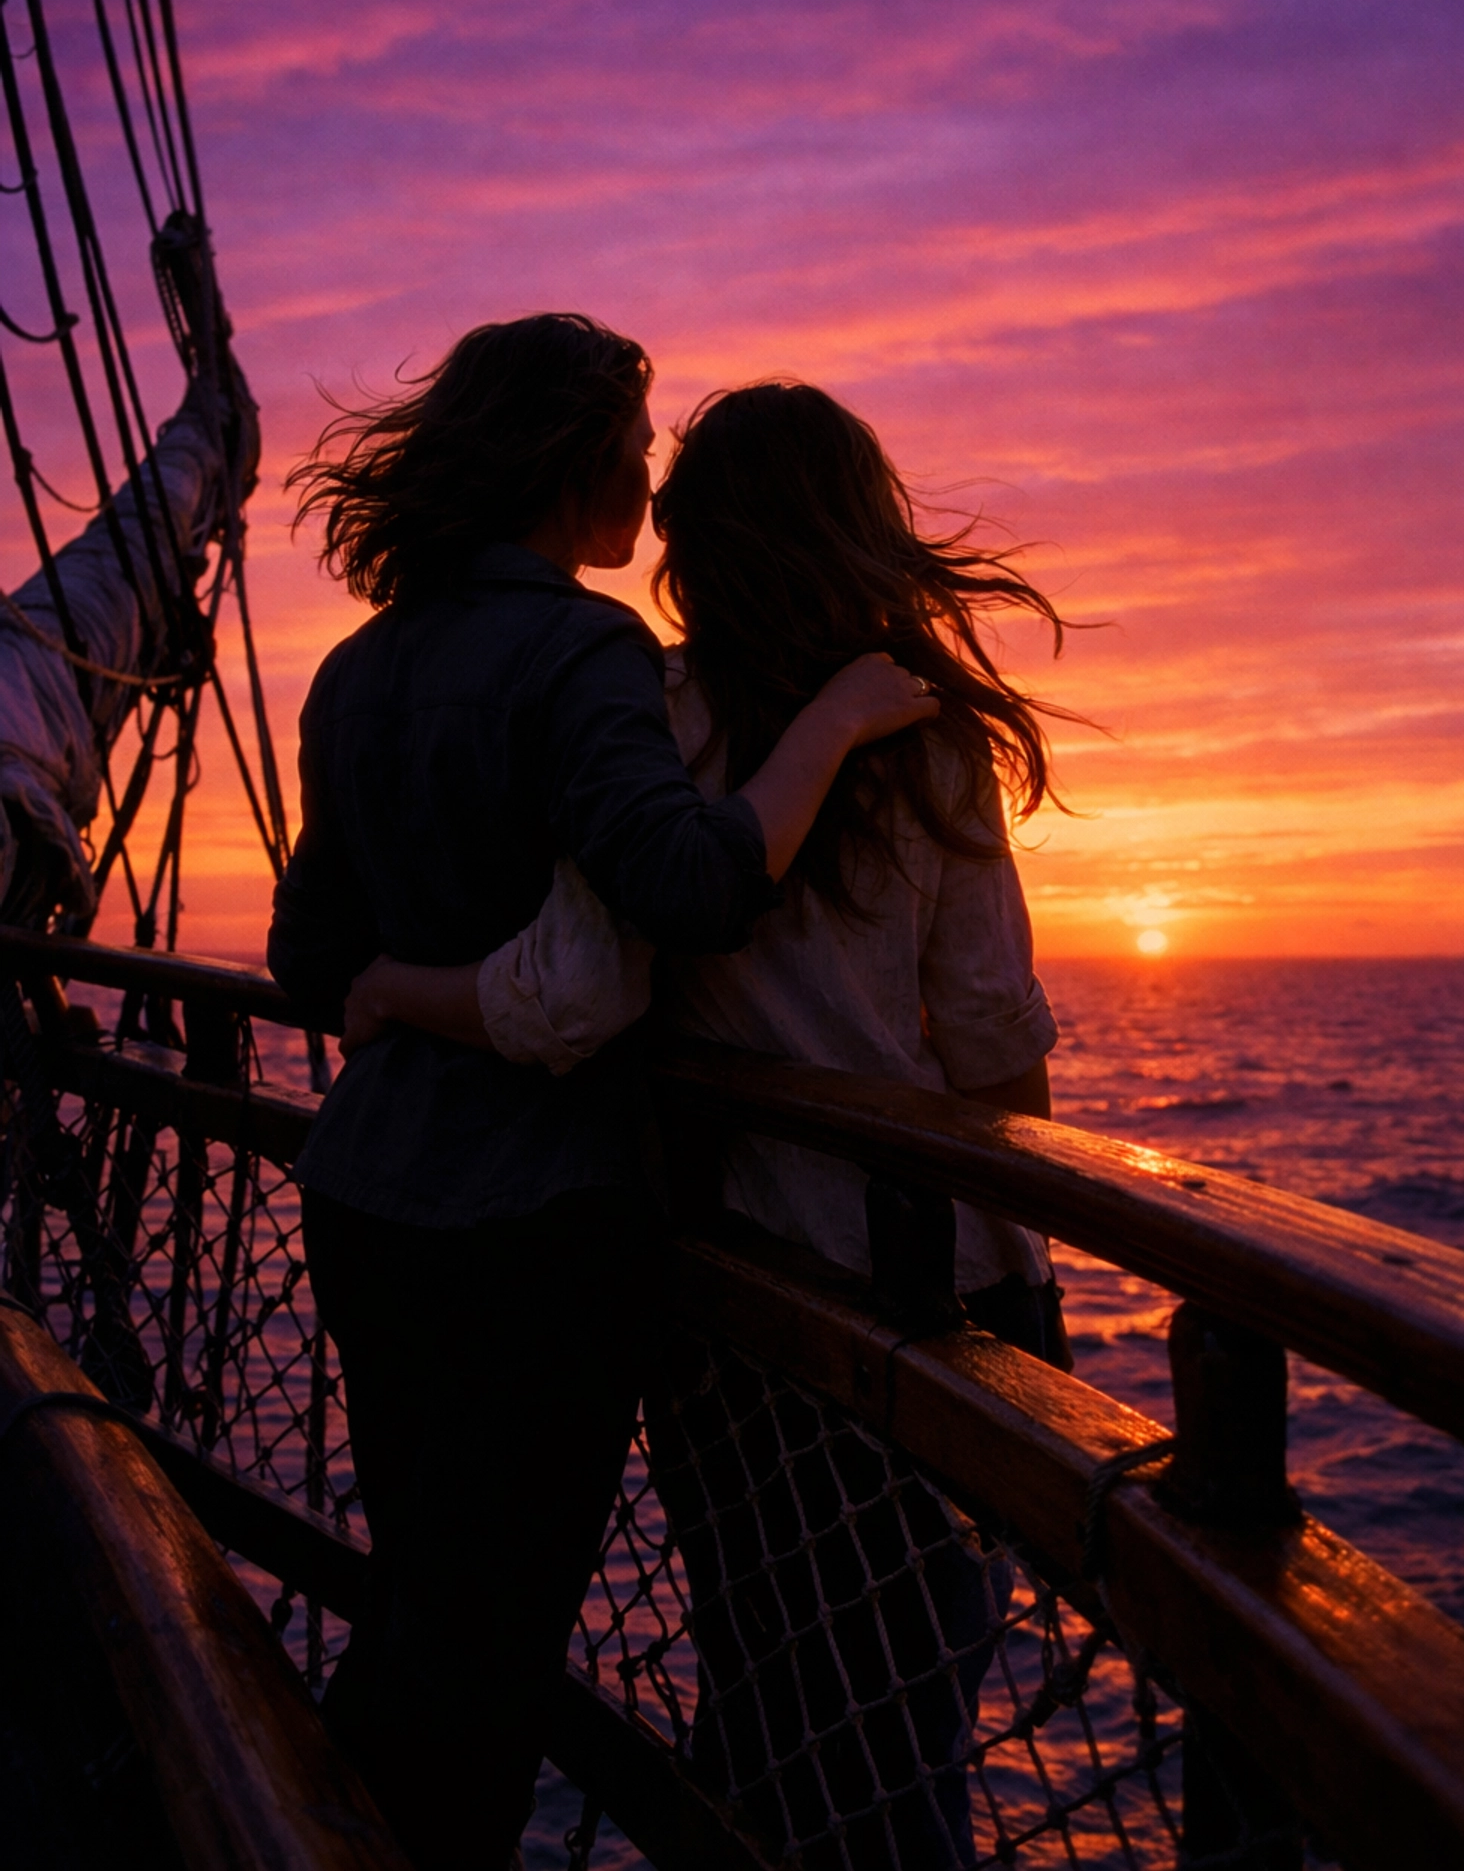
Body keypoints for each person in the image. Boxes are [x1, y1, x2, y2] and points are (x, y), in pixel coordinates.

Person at [346, 378, 1078, 1867]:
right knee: (907, 1714)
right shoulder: (923, 736)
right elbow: (992, 1039)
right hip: (922, 1291)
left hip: (718, 1289)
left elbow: (574, 985)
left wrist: (387, 986)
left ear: (706, 539)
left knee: (764, 1657)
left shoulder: (658, 712)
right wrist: (1035, 1255)